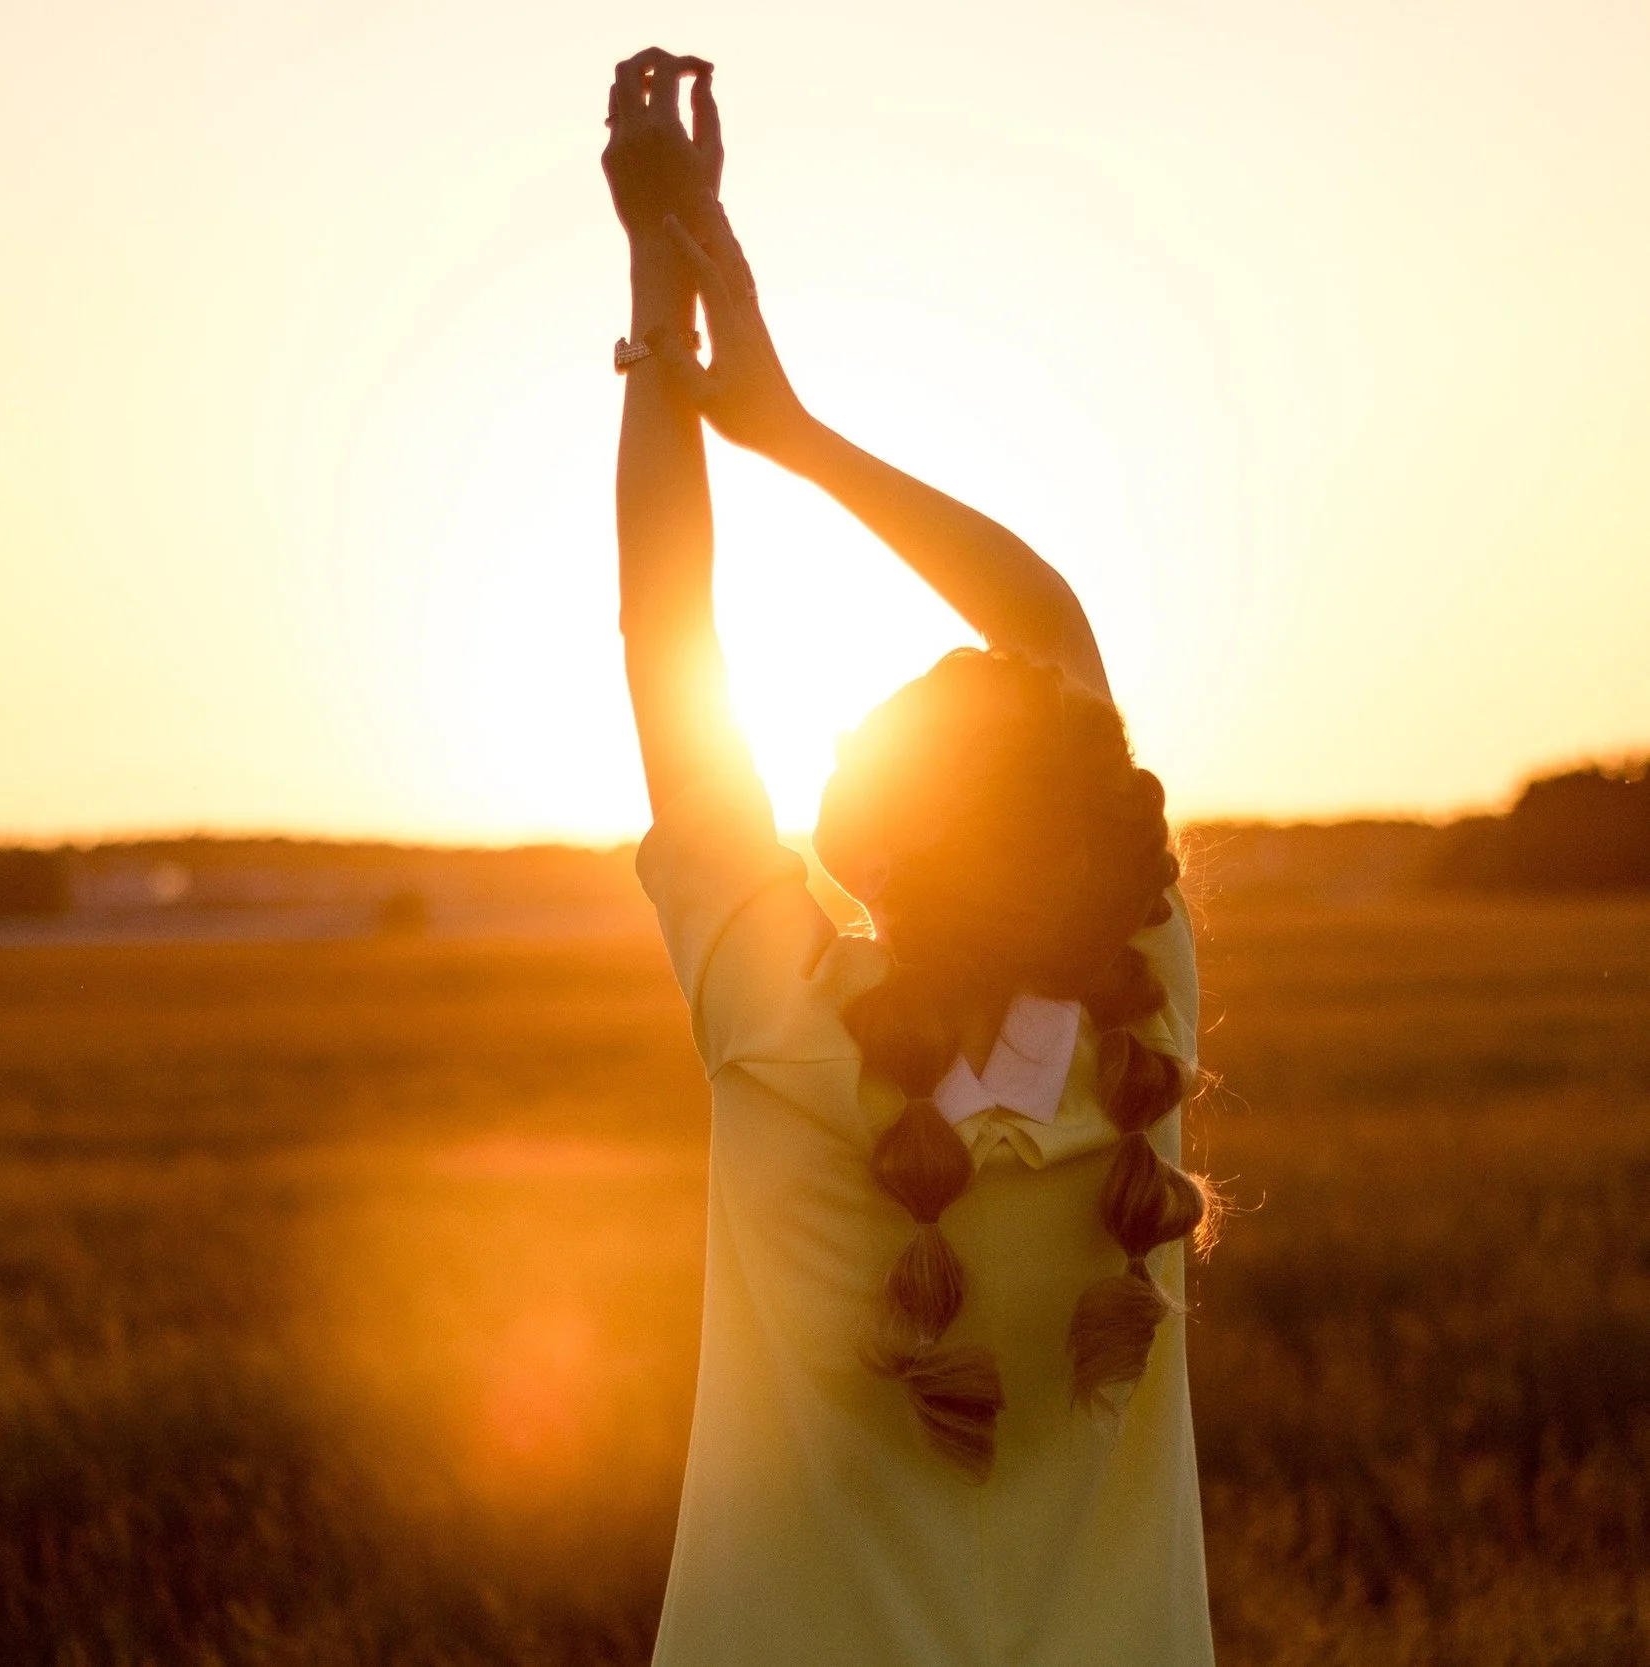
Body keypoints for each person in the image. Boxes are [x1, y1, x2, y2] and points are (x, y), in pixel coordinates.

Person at [601, 49, 1220, 1666]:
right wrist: (796, 429)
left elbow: (663, 628)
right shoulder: (1145, 1019)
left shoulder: (775, 1009)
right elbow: (1050, 623)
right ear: (1097, 829)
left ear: (868, 851)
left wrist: (664, 308)